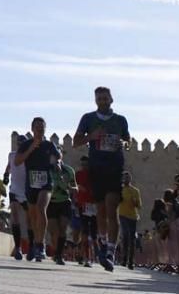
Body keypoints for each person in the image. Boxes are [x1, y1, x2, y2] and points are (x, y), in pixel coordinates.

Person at [73, 86, 131, 271]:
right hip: (96, 168)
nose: (102, 101)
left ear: (111, 99)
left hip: (114, 167)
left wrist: (124, 143)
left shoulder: (120, 120)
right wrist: (92, 136)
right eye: (99, 99)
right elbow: (75, 142)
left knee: (112, 206)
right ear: (95, 101)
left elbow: (128, 140)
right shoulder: (88, 119)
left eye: (105, 98)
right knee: (101, 210)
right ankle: (103, 242)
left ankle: (110, 252)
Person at [14, 118, 60, 262]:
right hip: (31, 184)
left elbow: (58, 156)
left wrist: (57, 163)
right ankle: (36, 242)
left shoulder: (49, 145)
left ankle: (41, 245)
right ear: (32, 129)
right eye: (37, 127)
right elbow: (17, 161)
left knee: (41, 209)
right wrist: (31, 148)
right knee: (33, 217)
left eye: (42, 128)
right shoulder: (26, 144)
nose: (40, 130)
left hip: (46, 183)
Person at [47, 149, 76, 266]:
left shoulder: (69, 171)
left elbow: (75, 188)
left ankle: (59, 255)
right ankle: (56, 250)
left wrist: (65, 182)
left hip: (64, 202)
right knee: (54, 231)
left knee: (63, 228)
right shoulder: (47, 170)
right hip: (51, 202)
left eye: (58, 155)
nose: (56, 158)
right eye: (54, 155)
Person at [74, 156, 97, 267]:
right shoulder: (77, 175)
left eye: (86, 164)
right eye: (82, 164)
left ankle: (91, 256)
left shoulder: (95, 175)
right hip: (82, 206)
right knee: (84, 231)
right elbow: (74, 187)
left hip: (94, 206)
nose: (84, 166)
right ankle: (86, 256)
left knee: (93, 233)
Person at [5, 150, 28, 260]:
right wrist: (5, 175)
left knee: (30, 219)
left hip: (27, 191)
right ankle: (18, 247)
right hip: (14, 190)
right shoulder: (12, 155)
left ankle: (32, 245)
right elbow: (9, 165)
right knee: (15, 217)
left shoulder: (29, 154)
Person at [118, 171, 142, 270]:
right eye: (125, 177)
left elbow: (139, 205)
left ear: (130, 179)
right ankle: (124, 260)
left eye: (128, 177)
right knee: (125, 236)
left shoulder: (135, 191)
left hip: (133, 216)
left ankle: (131, 261)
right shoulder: (119, 190)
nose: (126, 179)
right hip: (122, 215)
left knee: (131, 239)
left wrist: (134, 202)